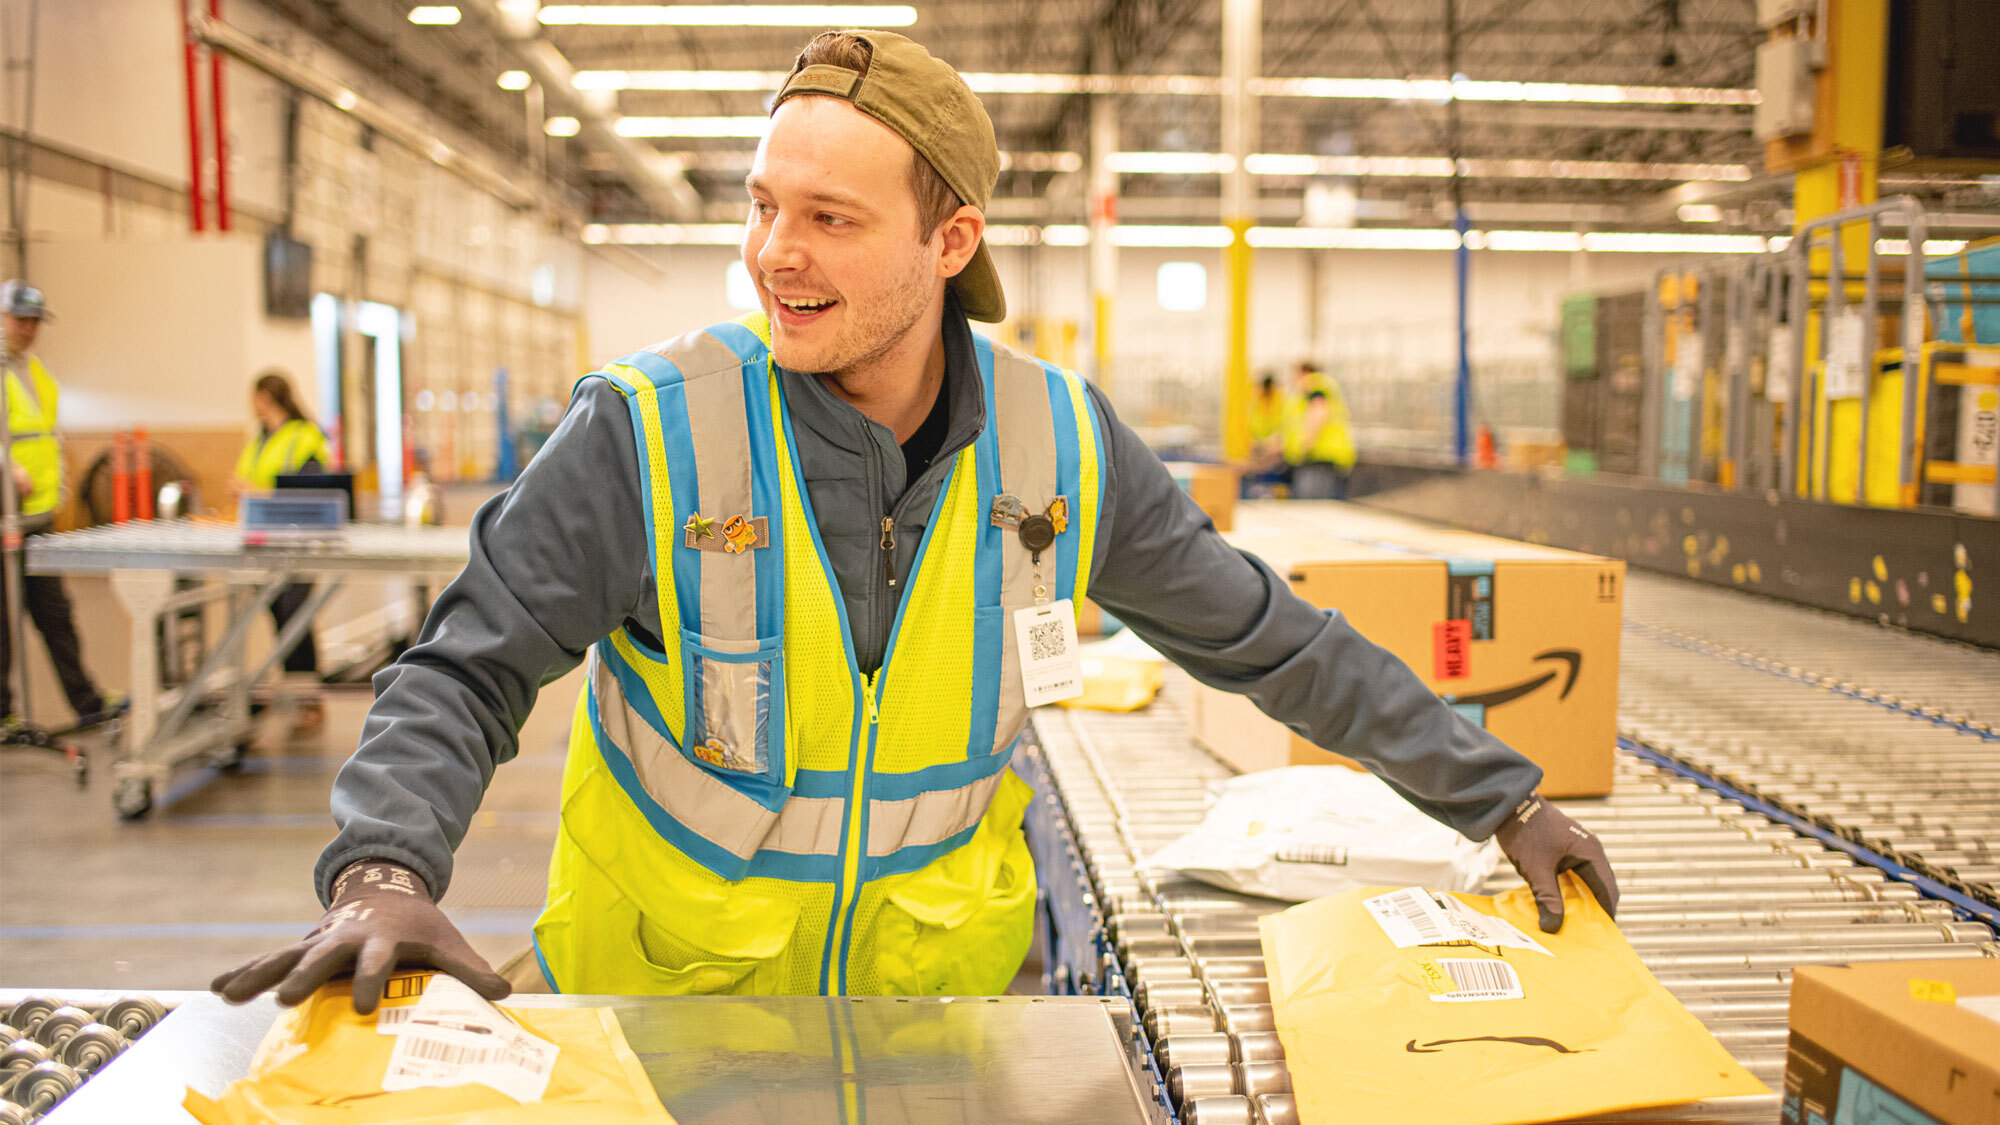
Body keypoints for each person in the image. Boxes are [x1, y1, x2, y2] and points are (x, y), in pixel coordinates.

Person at [211, 30, 1617, 1015]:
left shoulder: (1058, 445)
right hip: (661, 1024)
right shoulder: (645, 435)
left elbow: (1270, 640)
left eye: (828, 217)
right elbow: (464, 670)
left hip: (935, 1028)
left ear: (950, 246)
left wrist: (1499, 792)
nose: (774, 253)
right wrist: (385, 869)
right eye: (764, 207)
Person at [0, 280, 118, 729]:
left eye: (34, 322)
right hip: (5, 514)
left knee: (56, 614)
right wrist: (5, 468)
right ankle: (2, 713)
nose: (28, 329)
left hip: (37, 515)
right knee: (1, 621)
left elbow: (47, 435)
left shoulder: (34, 371)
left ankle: (87, 703)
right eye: (20, 320)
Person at [233, 371, 332, 724]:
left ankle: (308, 698)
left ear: (265, 398)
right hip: (262, 538)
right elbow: (248, 476)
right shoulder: (259, 438)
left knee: (296, 613)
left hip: (298, 538)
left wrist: (262, 493)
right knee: (277, 613)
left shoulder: (304, 436)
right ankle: (295, 689)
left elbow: (312, 489)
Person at [1282, 360, 1357, 500]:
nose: (1294, 381)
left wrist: (1305, 443)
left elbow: (1319, 411)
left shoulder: (1315, 383)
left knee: (1315, 505)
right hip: (1322, 457)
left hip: (1320, 457)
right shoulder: (1320, 387)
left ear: (1304, 373)